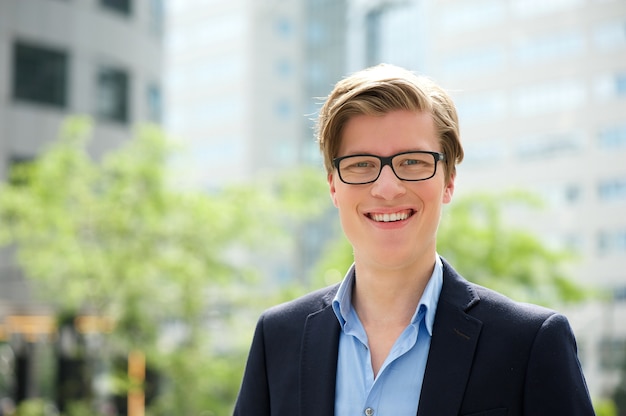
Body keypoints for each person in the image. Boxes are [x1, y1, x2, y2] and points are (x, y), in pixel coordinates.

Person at [233, 63, 595, 416]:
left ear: (448, 180)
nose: (387, 188)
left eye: (412, 162)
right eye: (361, 164)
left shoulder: (528, 343)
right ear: (333, 186)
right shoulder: (278, 338)